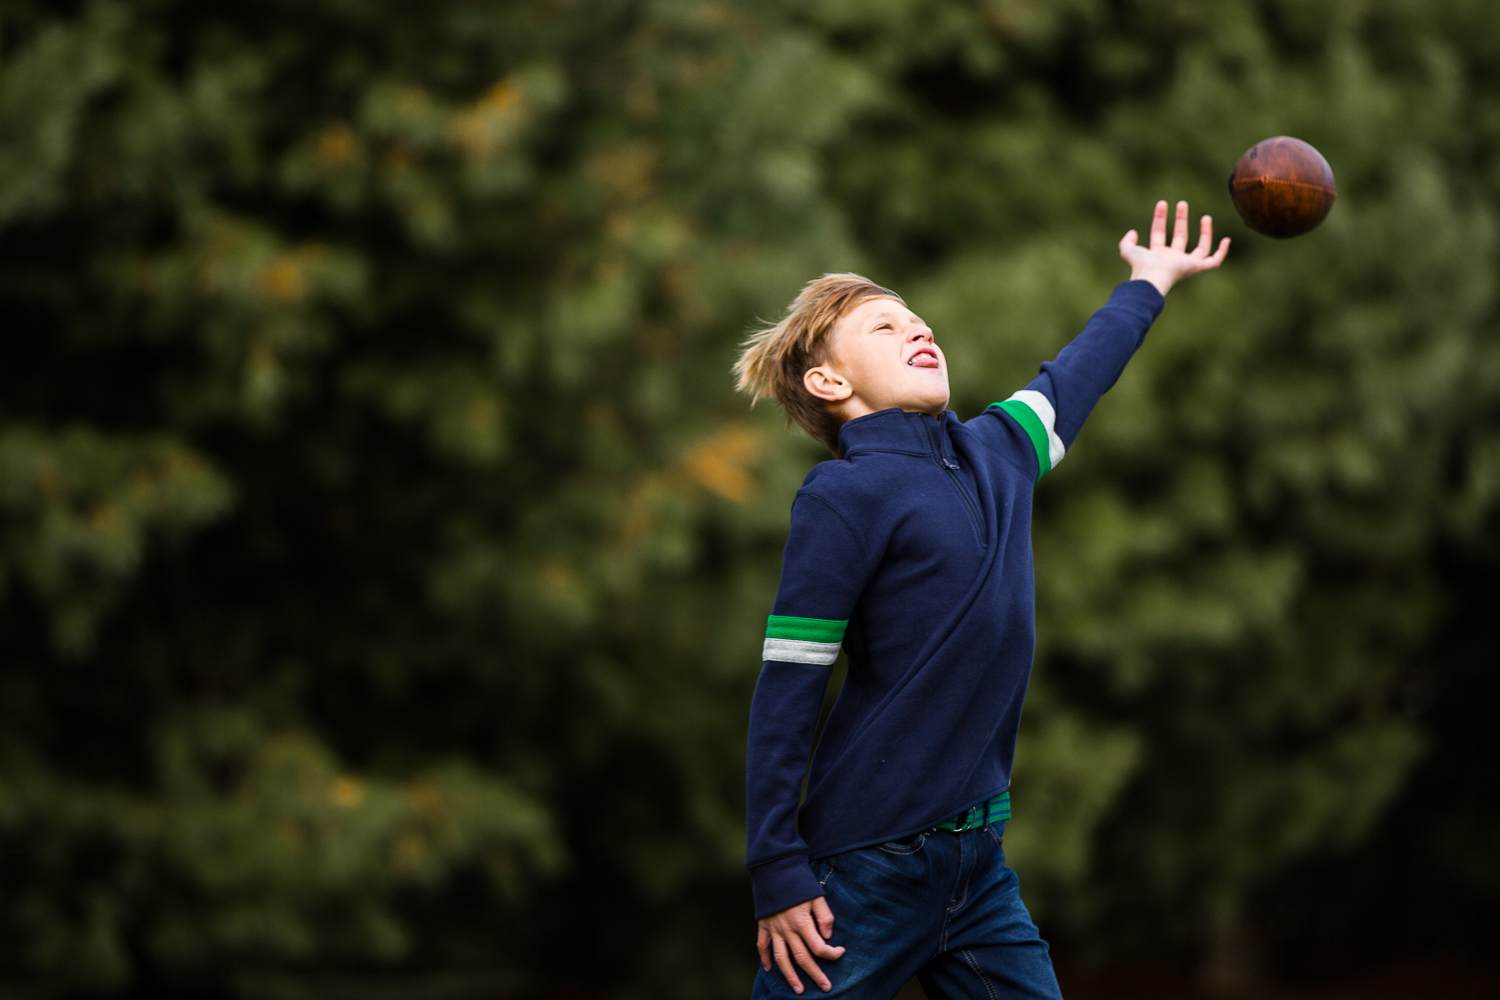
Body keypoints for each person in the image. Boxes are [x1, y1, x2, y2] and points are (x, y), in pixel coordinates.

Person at [733, 201, 1230, 1000]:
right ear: (830, 382)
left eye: (919, 321)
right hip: (866, 868)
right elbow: (787, 689)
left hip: (979, 867)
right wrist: (777, 870)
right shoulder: (844, 496)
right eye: (885, 330)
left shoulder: (998, 450)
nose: (919, 331)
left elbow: (1079, 371)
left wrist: (1150, 280)